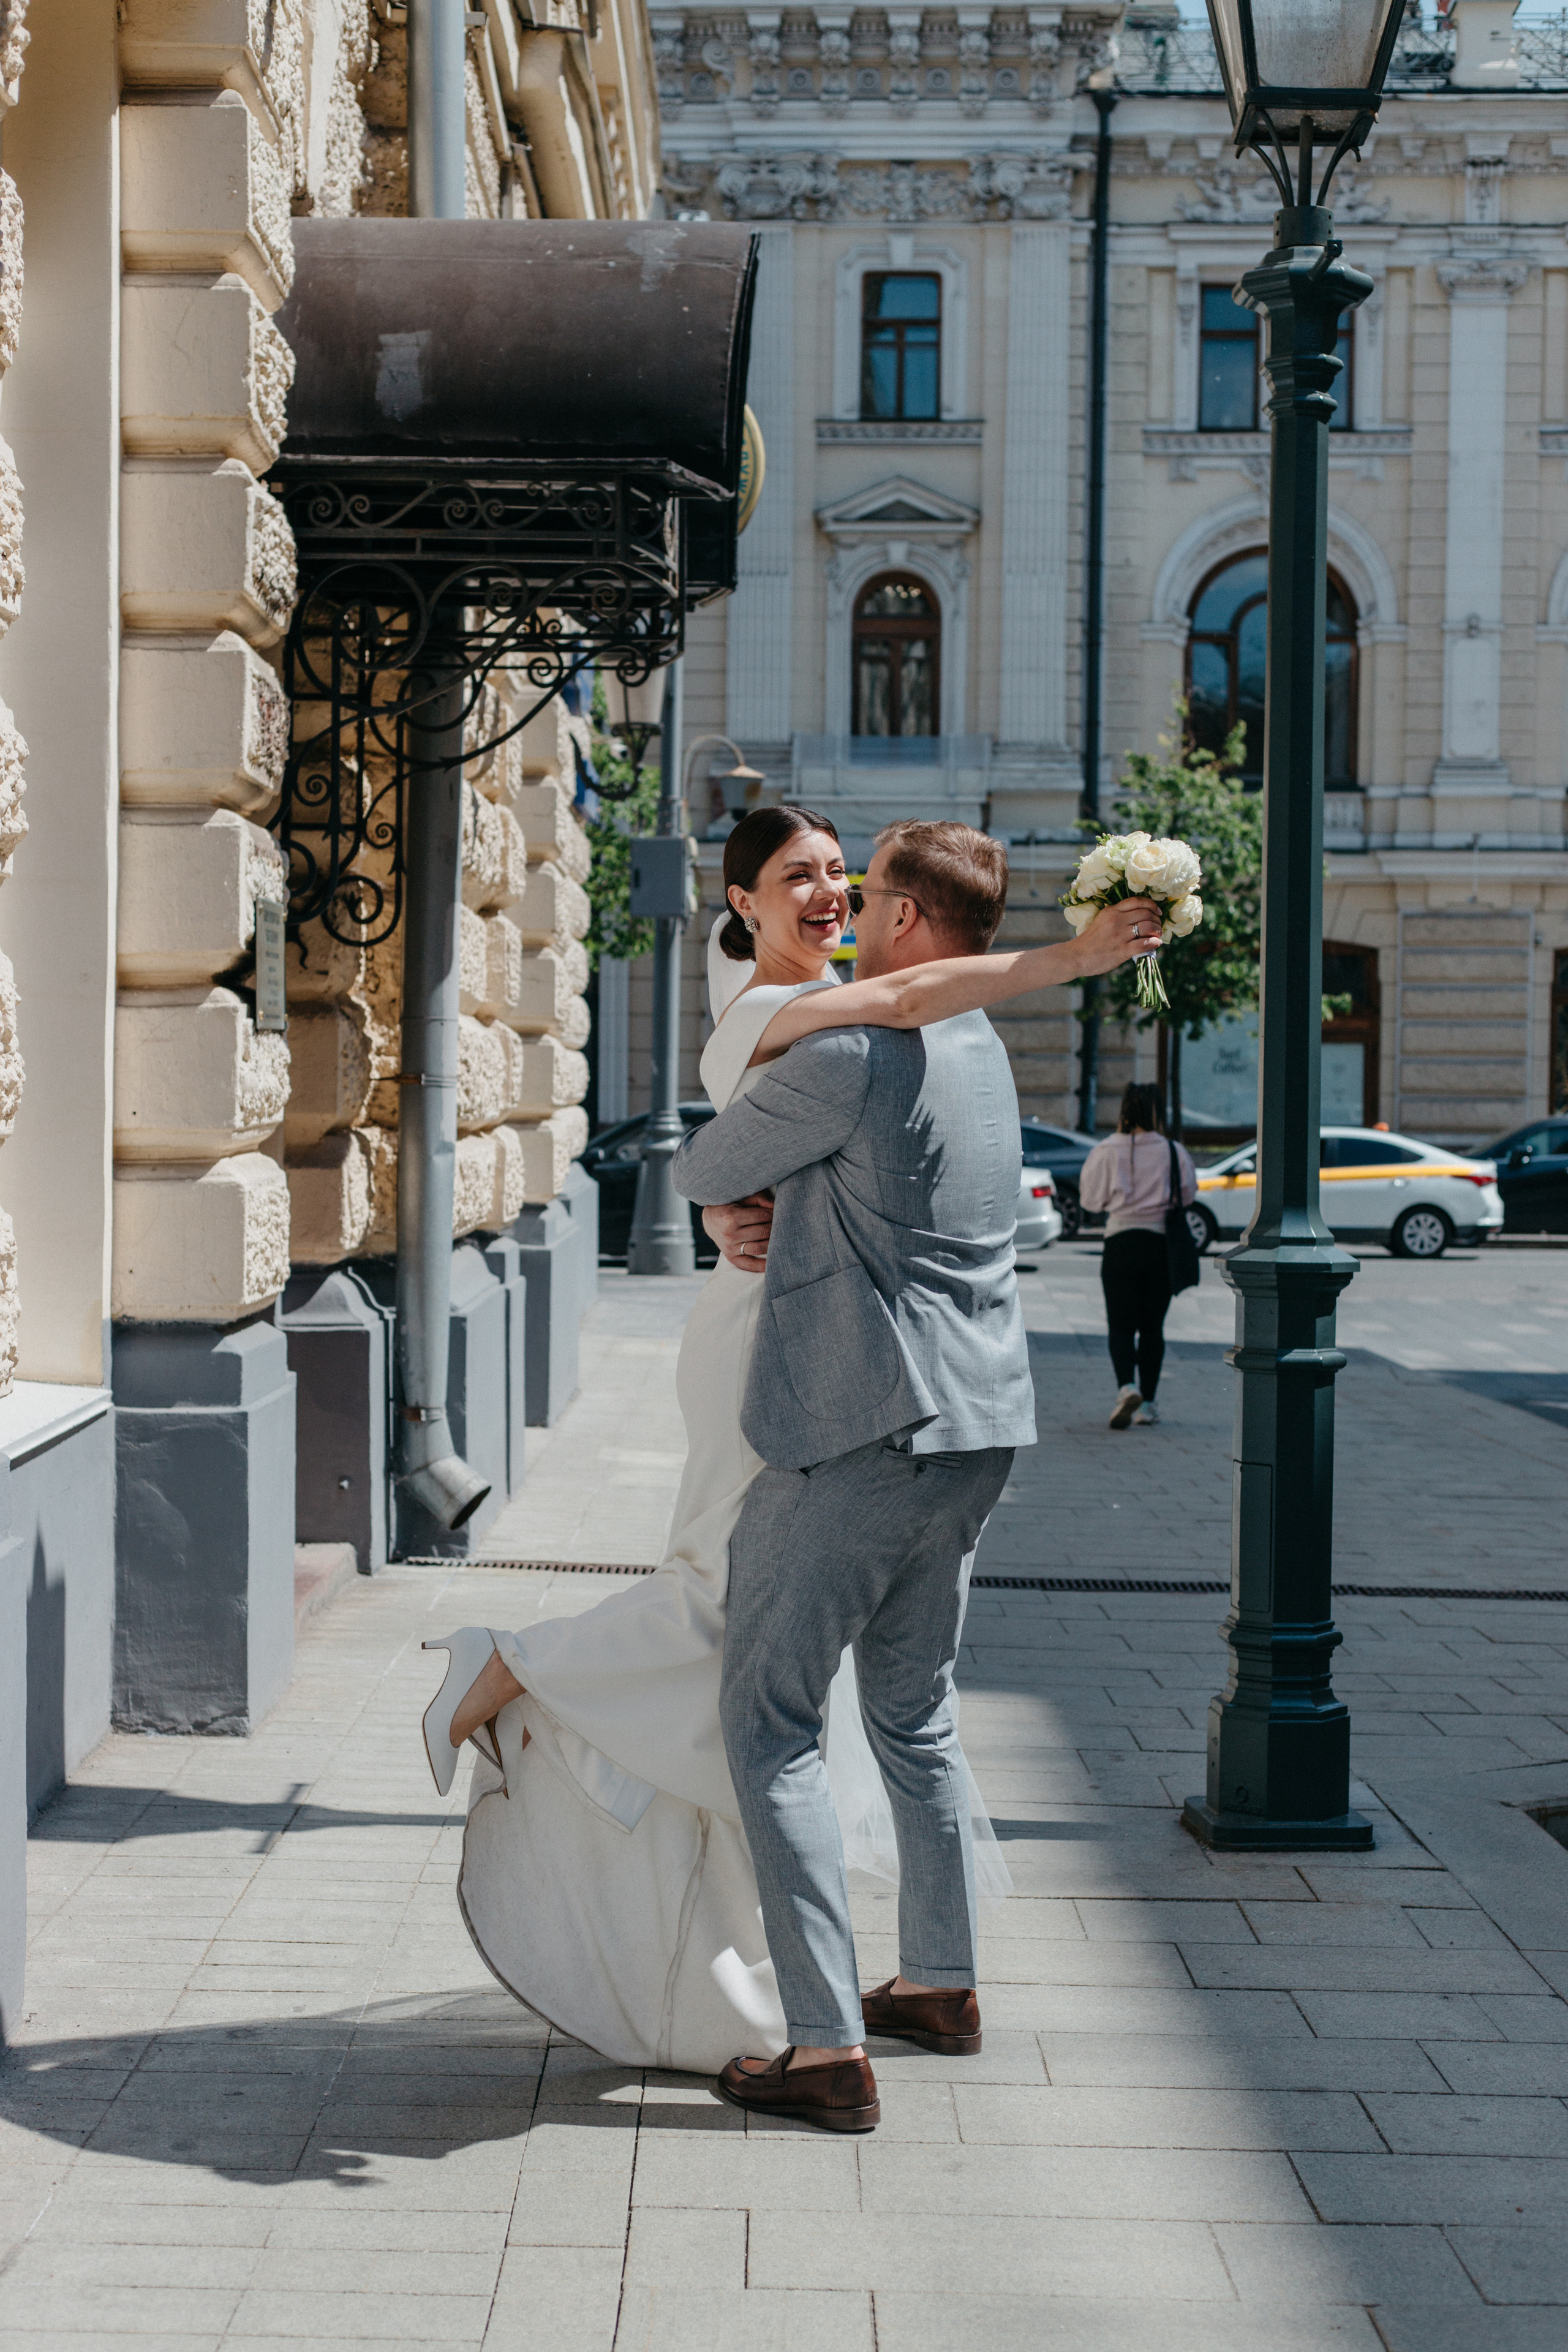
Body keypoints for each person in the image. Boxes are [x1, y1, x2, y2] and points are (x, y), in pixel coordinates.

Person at [417, 809, 1159, 2105]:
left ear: (908, 923)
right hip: (980, 1428)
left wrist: (732, 1193)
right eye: (816, 882)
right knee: (914, 1717)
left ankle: (823, 2044)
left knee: (765, 1723)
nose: (844, 908)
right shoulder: (975, 1044)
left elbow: (709, 1159)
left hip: (855, 1426)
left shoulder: (853, 1051)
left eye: (862, 890)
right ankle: (936, 1980)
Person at [1077, 1080, 1197, 1430]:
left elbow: (1090, 1202)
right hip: (1161, 1245)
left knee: (1120, 1324)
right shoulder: (1174, 1151)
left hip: (1120, 1244)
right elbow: (1187, 1196)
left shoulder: (1106, 1150)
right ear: (1159, 1112)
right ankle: (1148, 1404)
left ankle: (1125, 1387)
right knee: (1152, 1328)